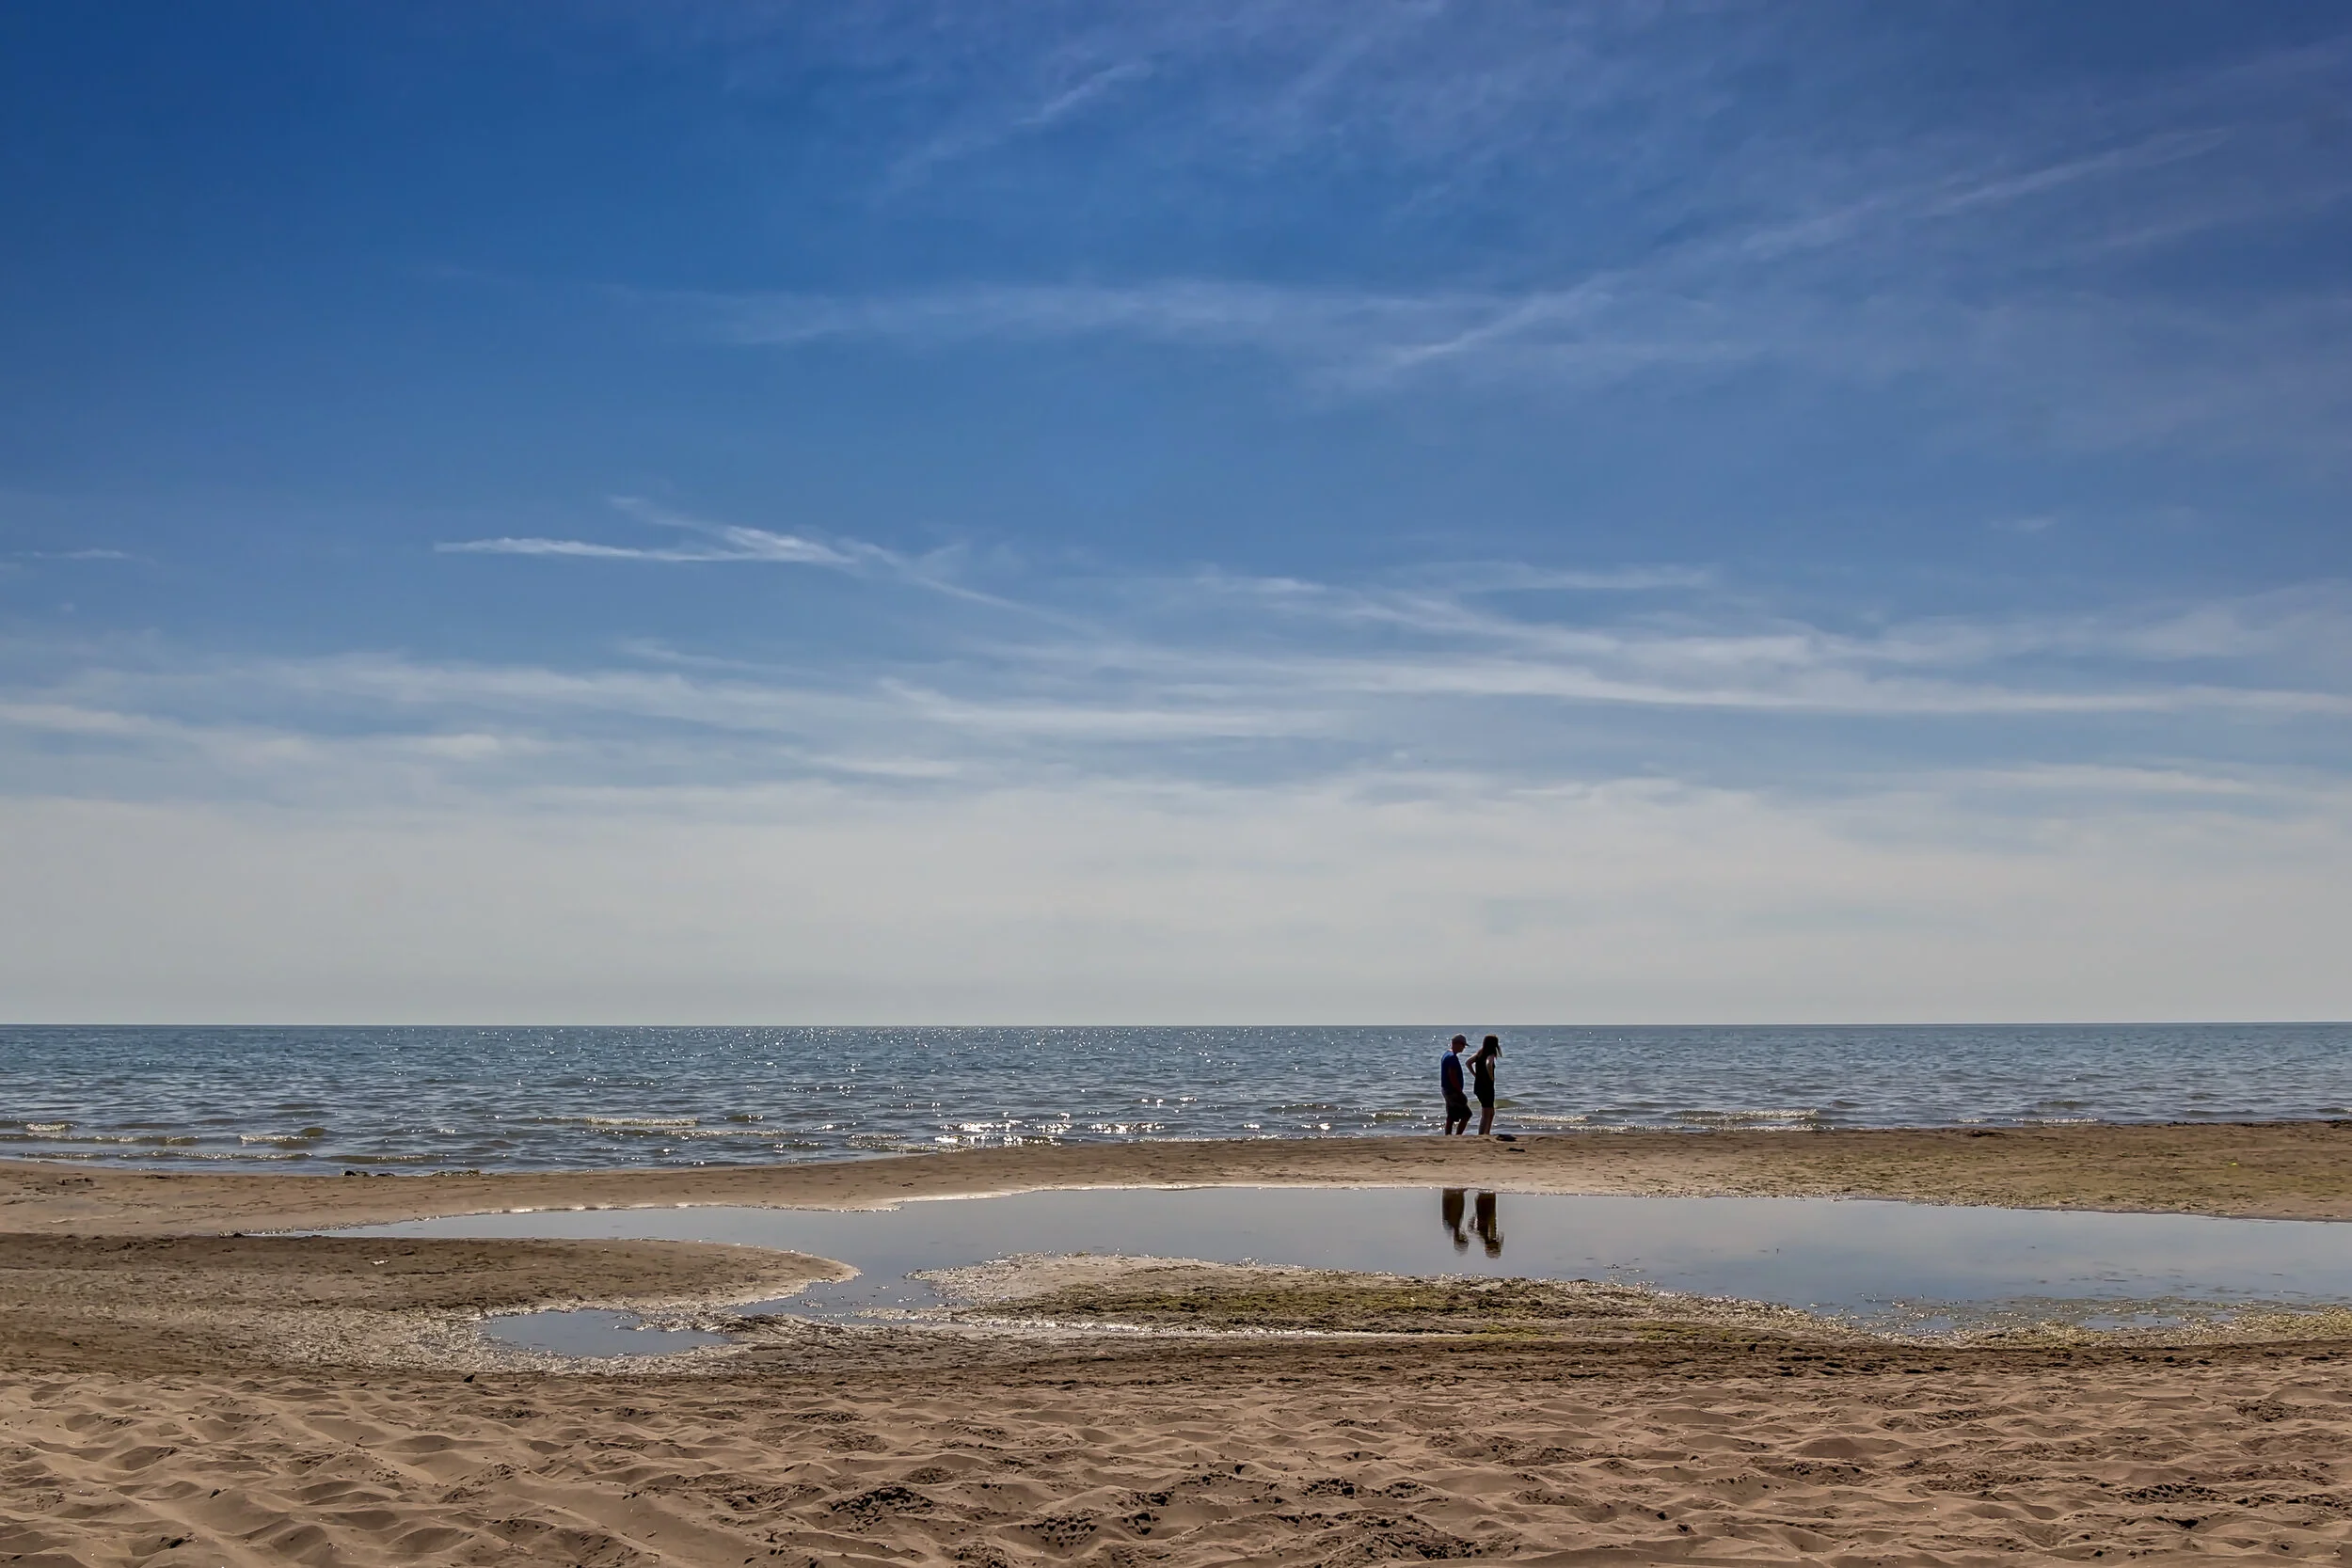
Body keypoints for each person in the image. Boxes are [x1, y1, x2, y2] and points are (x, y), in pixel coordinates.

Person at [1469, 1034, 1502, 1136]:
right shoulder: (1490, 1055)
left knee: (1491, 1112)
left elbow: (1468, 1062)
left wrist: (1475, 1075)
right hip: (1486, 1087)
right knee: (1486, 1113)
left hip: (1479, 1086)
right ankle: (1482, 1134)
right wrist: (1491, 1076)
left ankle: (1487, 1132)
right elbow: (1488, 1064)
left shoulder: (1480, 1053)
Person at [1439, 1035, 1471, 1135]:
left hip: (1446, 1089)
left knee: (1451, 1115)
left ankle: (1448, 1135)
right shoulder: (1452, 1057)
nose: (1463, 1048)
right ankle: (1458, 1135)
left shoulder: (1446, 1054)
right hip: (1452, 1090)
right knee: (1467, 1114)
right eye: (1463, 1045)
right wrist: (1459, 1091)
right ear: (1457, 1044)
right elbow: (1452, 1075)